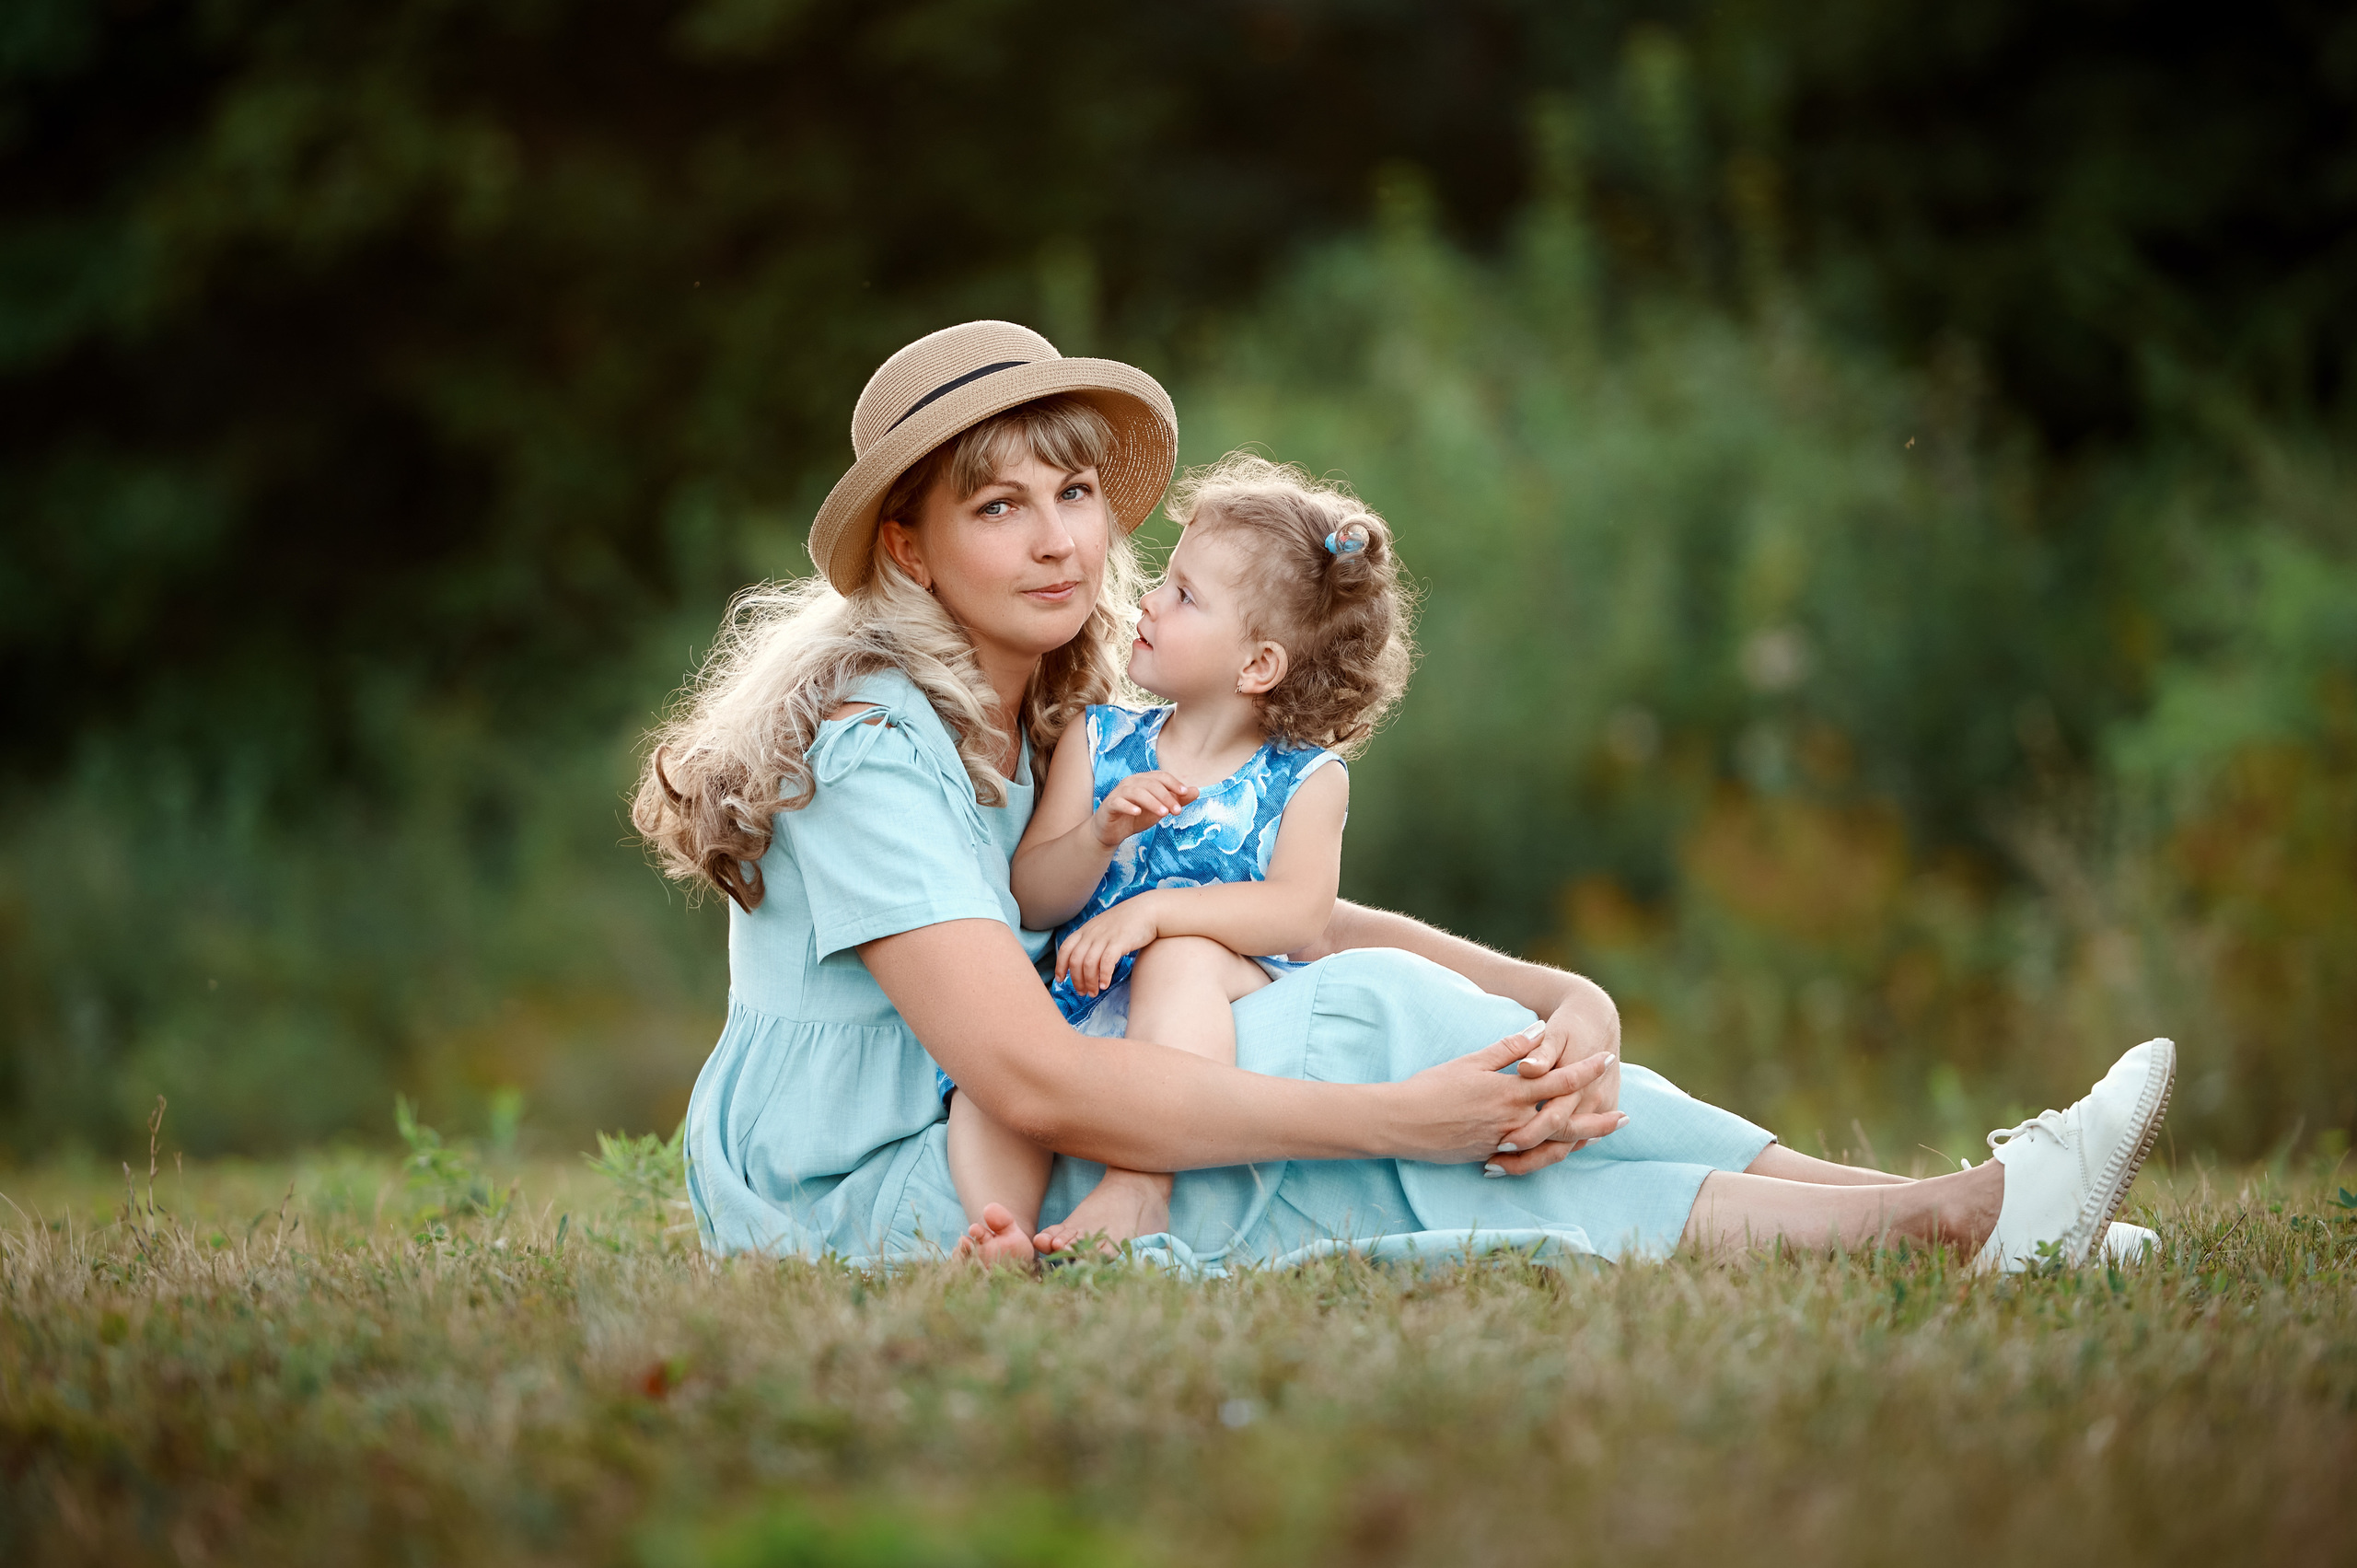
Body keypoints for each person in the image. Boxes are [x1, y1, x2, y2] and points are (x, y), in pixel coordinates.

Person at [633, 319, 2174, 1277]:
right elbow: (1030, 1075)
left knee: (1367, 992)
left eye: (1075, 494)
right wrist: (1399, 1114)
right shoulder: (873, 736)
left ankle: (1958, 1209)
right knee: (1361, 1076)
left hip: (1022, 1119)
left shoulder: (1059, 685)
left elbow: (1260, 893)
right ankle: (1948, 1223)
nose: (1055, 541)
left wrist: (1546, 984)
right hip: (883, 1186)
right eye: (995, 505)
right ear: (910, 549)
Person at [942, 456, 1411, 1264]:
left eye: (1185, 596)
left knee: (1180, 959)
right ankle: (1001, 1226)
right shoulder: (1102, 740)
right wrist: (1096, 838)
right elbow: (1033, 898)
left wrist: (1154, 913)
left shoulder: (1304, 780)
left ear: (1258, 664)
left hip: (1213, 1005)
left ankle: (1139, 1181)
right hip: (1085, 998)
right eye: (1165, 580)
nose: (1147, 601)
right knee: (993, 1082)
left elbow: (1298, 916)